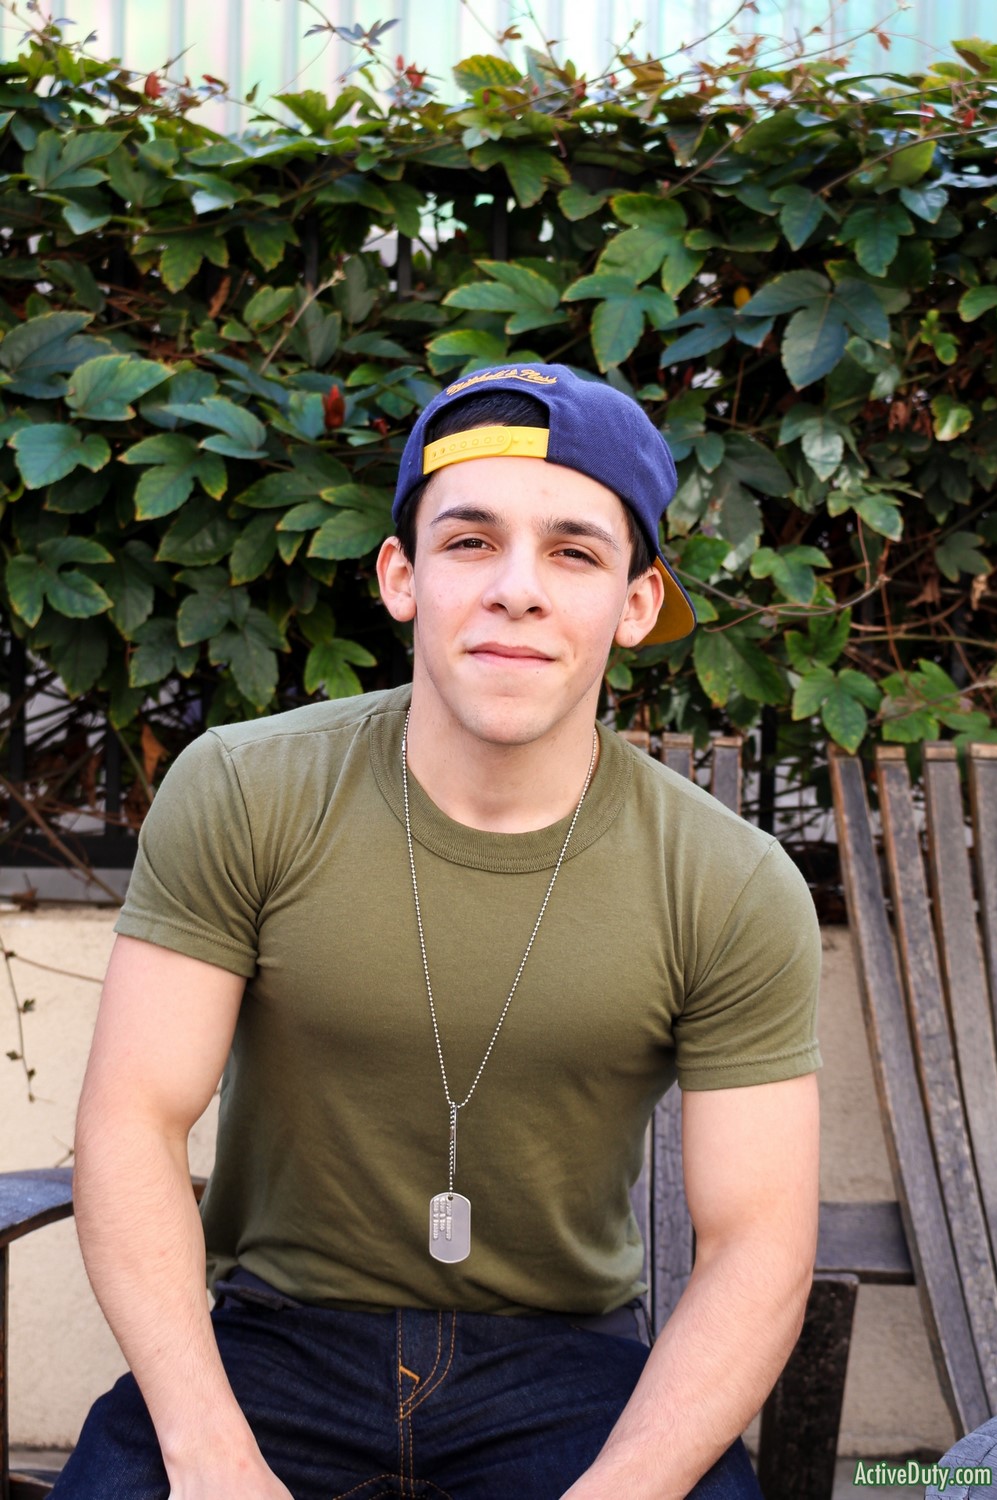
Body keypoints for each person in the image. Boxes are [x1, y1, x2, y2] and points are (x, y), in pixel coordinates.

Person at [54, 363, 821, 1500]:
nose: (517, 590)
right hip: (269, 1347)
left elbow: (757, 1244)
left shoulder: (730, 882)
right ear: (401, 577)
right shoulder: (246, 793)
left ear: (636, 603)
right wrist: (211, 1457)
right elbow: (132, 1122)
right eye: (470, 542)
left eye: (574, 553)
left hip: (567, 1371)